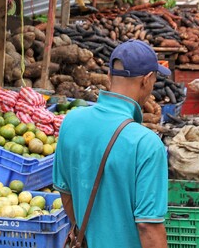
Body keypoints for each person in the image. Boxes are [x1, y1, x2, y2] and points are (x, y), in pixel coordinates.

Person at [53, 40, 169, 248]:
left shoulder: (70, 122)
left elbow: (66, 193)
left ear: (109, 76)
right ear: (147, 80)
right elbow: (148, 227)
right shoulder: (147, 144)